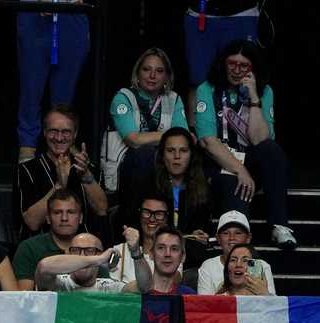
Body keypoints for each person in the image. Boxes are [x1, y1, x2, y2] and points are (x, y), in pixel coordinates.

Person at [194, 39, 296, 249]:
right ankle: (238, 245)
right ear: (223, 63)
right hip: (218, 163)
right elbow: (207, 141)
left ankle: (280, 226)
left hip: (248, 161)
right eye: (232, 63)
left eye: (244, 66)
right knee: (233, 181)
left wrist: (253, 98)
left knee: (271, 150)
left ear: (253, 68)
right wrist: (240, 170)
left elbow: (261, 139)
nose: (237, 70)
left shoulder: (264, 91)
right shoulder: (207, 89)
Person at [14, 105, 107, 240]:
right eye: (53, 131)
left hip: (83, 250)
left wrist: (87, 177)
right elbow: (32, 223)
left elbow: (102, 210)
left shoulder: (88, 169)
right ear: (44, 132)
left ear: (75, 134)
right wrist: (59, 186)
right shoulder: (26, 170)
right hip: (42, 250)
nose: (59, 137)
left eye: (66, 132)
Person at [15, 2, 90, 163]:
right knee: (31, 88)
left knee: (65, 92)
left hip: (71, 12)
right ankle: (27, 146)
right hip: (34, 14)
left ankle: (63, 140)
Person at [111, 47, 188, 195]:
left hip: (165, 165)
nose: (152, 75)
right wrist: (170, 135)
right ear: (138, 73)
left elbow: (183, 139)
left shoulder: (174, 99)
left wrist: (176, 138)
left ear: (167, 77)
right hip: (127, 165)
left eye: (159, 71)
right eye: (146, 69)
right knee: (145, 154)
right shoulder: (123, 97)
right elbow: (133, 140)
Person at [182, 1, 259, 127]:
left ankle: (243, 139)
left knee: (244, 77)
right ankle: (195, 138)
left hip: (242, 14)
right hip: (200, 14)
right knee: (197, 81)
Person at [150, 127, 212, 268]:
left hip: (188, 256)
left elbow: (200, 232)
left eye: (183, 151)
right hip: (155, 253)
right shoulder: (150, 187)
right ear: (162, 154)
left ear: (191, 155)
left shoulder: (202, 189)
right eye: (171, 151)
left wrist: (199, 235)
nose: (177, 156)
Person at [13, 188, 85, 290]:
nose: (64, 218)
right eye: (57, 213)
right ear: (48, 218)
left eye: (71, 212)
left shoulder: (92, 247)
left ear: (81, 218)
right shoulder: (29, 248)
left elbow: (104, 294)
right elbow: (23, 298)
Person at [132, 227, 196, 323]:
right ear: (151, 254)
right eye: (161, 248)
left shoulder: (190, 297)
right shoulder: (133, 292)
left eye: (174, 249)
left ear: (183, 257)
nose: (167, 254)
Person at [197, 210, 274, 295]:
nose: (232, 238)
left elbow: (276, 305)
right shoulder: (208, 266)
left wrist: (266, 294)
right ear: (218, 238)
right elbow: (204, 304)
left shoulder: (261, 265)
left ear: (248, 237)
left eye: (238, 233)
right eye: (226, 233)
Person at [35, 232, 141, 293]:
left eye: (90, 251)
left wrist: (136, 253)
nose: (81, 256)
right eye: (75, 251)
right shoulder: (58, 283)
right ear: (68, 253)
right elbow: (44, 267)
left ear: (101, 254)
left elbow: (144, 287)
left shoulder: (109, 288)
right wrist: (97, 260)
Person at [110, 195, 171, 284]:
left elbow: (171, 282)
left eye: (159, 214)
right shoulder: (120, 250)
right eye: (146, 212)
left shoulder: (172, 252)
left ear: (166, 219)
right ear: (140, 216)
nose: (152, 219)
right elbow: (113, 289)